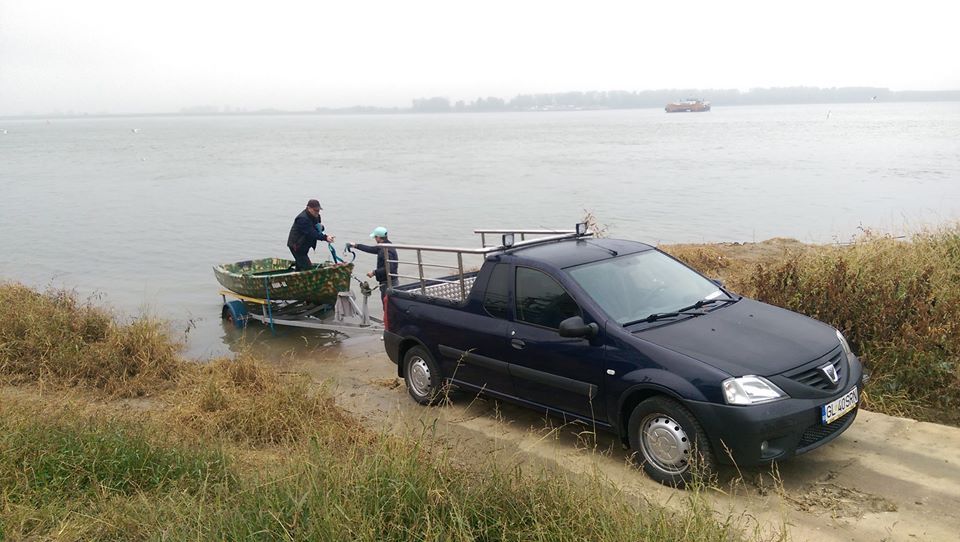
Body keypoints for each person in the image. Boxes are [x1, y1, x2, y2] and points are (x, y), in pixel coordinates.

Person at [348, 226, 398, 298]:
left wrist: (374, 272)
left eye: (375, 237)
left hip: (389, 283)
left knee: (388, 305)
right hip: (388, 282)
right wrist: (355, 245)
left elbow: (390, 268)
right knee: (388, 305)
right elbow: (370, 249)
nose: (375, 239)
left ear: (378, 237)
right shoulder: (385, 246)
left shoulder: (386, 250)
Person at [286, 199, 335, 271]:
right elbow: (312, 233)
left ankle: (296, 276)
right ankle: (302, 279)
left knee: (300, 265)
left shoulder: (317, 216)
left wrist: (322, 227)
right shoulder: (302, 219)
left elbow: (317, 229)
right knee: (307, 268)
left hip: (305, 245)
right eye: (315, 210)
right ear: (308, 208)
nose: (317, 212)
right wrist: (326, 237)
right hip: (296, 246)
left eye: (318, 210)